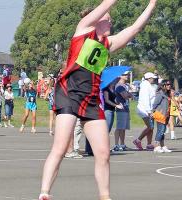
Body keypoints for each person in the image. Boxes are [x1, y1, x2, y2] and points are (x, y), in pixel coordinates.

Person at [39, 0, 158, 199]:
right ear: (96, 20)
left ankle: (105, 196)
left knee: (103, 153)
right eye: (108, 20)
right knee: (60, 148)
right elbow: (106, 3)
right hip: (69, 93)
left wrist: (152, 4)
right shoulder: (83, 31)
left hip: (91, 99)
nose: (111, 23)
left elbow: (136, 28)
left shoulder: (106, 44)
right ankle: (44, 192)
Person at [133, 72, 157, 151]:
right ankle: (138, 140)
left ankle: (149, 144)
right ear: (149, 78)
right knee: (150, 126)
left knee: (151, 127)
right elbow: (146, 99)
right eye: (153, 78)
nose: (154, 79)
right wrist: (149, 111)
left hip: (150, 109)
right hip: (145, 110)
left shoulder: (148, 85)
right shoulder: (145, 86)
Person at [112, 71, 132, 151]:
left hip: (126, 108)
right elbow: (125, 96)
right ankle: (116, 145)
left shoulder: (125, 86)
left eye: (127, 74)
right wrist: (129, 94)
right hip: (121, 108)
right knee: (119, 127)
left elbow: (130, 95)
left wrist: (129, 94)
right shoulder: (119, 86)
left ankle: (122, 144)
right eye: (124, 74)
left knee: (123, 128)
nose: (126, 76)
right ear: (120, 76)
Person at [152, 80, 172, 153]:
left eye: (170, 84)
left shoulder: (167, 93)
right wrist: (154, 111)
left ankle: (163, 146)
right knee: (160, 131)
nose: (169, 85)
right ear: (163, 85)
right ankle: (156, 146)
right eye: (167, 84)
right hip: (160, 114)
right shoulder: (160, 93)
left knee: (163, 131)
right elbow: (155, 104)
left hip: (166, 114)